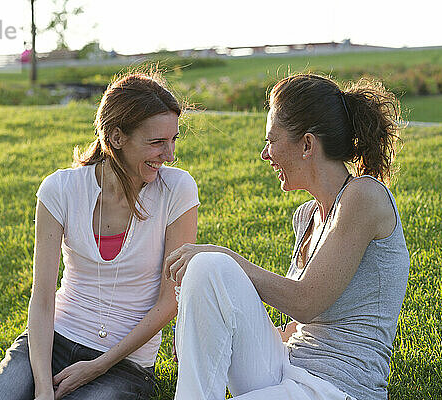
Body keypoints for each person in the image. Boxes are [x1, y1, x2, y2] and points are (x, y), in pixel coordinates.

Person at [0, 72, 199, 400]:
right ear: (116, 137)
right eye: (157, 142)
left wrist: (98, 365)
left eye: (173, 140)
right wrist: (43, 387)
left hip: (125, 362)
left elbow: (168, 301)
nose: (169, 154)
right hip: (55, 340)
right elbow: (42, 298)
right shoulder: (61, 190)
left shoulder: (177, 190)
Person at [166, 73, 409, 400]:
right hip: (285, 366)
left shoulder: (364, 196)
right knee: (207, 266)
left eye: (271, 140)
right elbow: (306, 325)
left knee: (215, 259)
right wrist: (201, 330)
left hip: (336, 388)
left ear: (307, 144)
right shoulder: (306, 215)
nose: (265, 154)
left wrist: (230, 258)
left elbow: (306, 302)